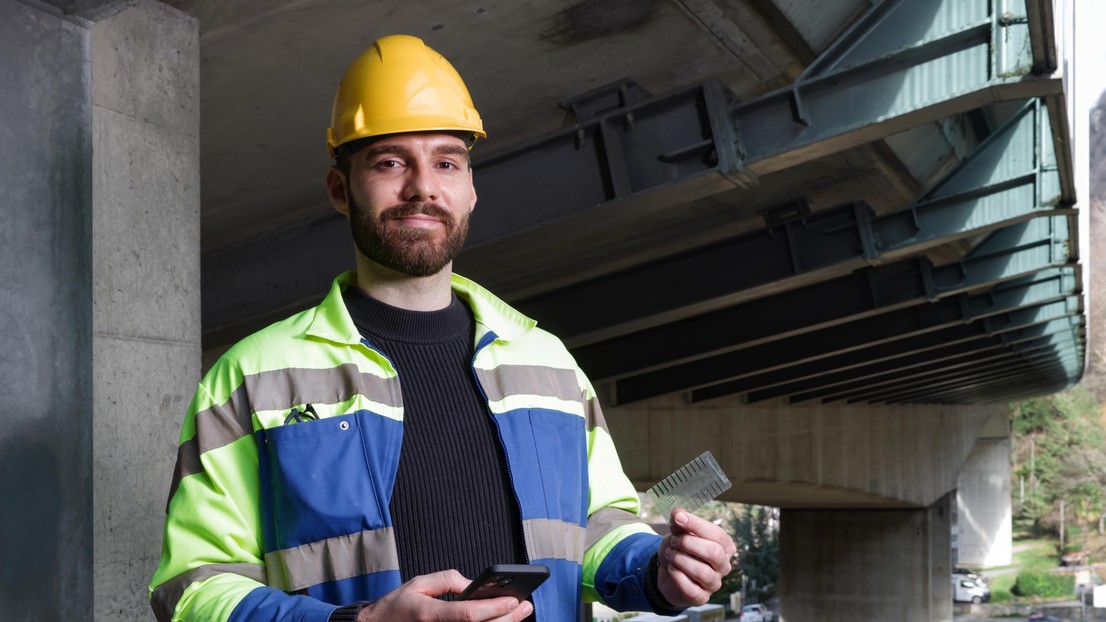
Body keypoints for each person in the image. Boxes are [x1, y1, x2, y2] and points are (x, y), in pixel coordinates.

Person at [149, 34, 736, 622]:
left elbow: (596, 525)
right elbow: (194, 589)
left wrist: (655, 567)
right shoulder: (253, 377)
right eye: (389, 162)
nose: (423, 187)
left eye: (446, 162)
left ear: (470, 188)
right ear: (339, 189)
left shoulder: (548, 364)